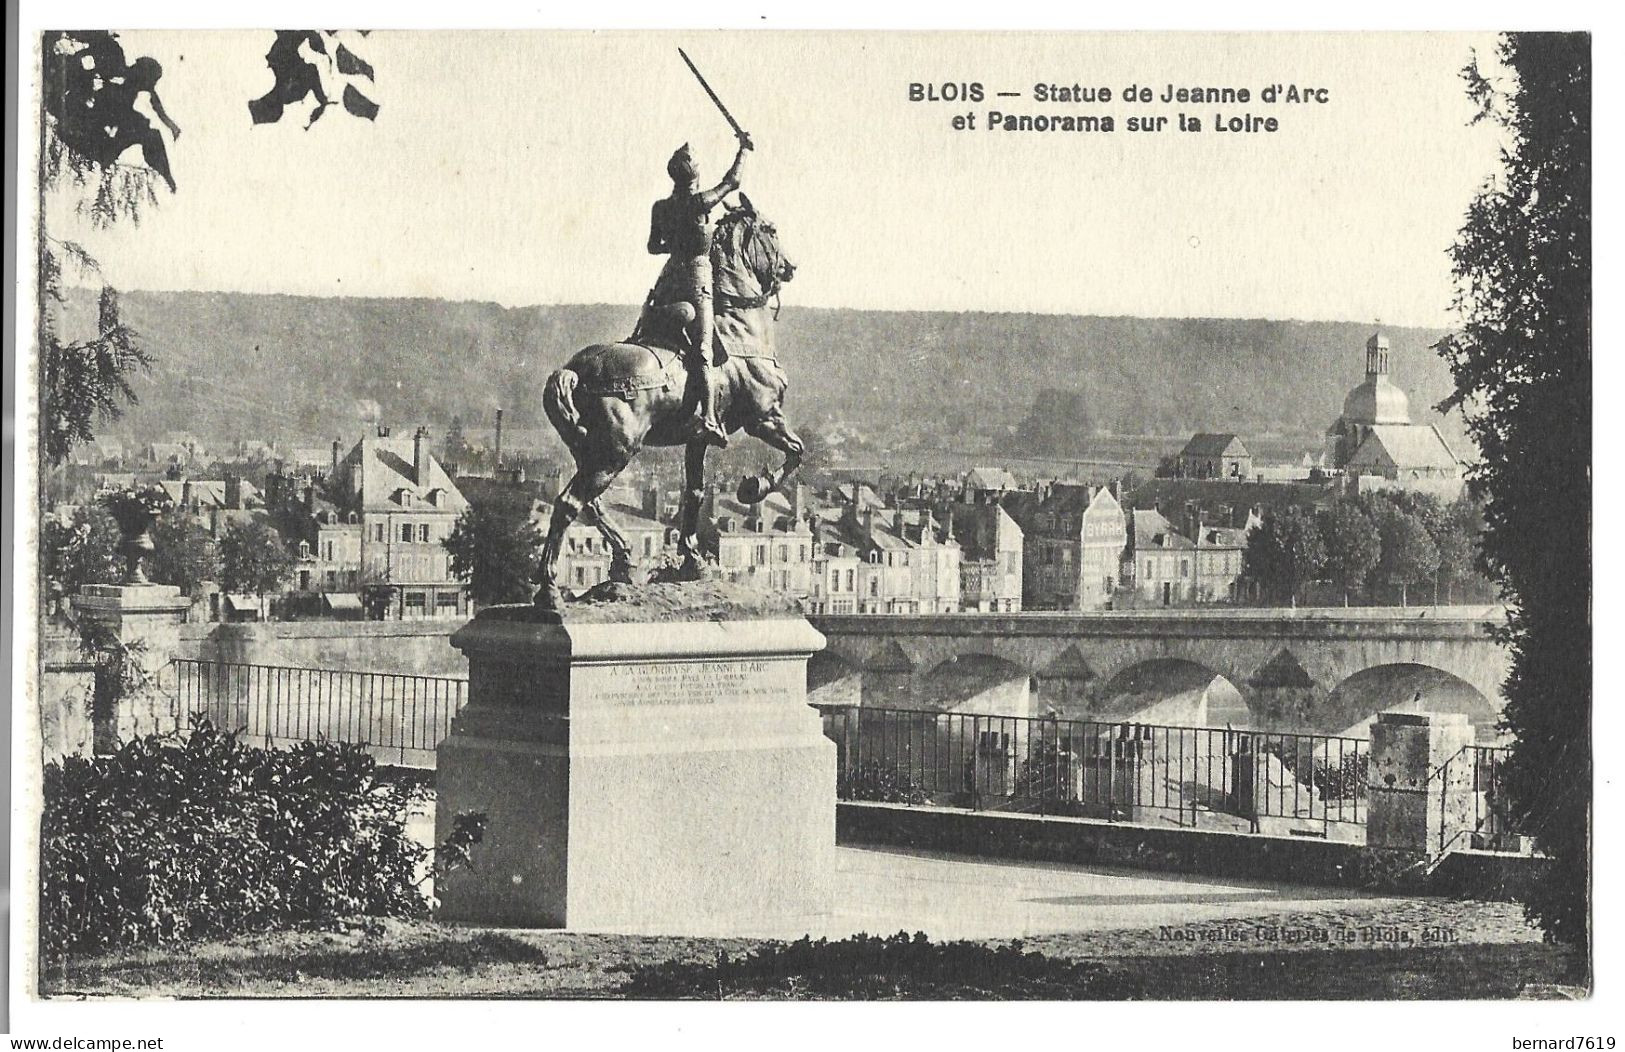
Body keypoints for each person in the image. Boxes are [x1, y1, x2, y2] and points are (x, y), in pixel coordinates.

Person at [646, 132, 752, 447]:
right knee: (704, 349)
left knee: (648, 327)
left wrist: (676, 245)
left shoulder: (660, 208)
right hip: (695, 282)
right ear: (695, 176)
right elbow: (732, 182)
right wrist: (744, 150)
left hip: (667, 281)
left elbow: (653, 247)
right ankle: (709, 418)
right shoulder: (700, 202)